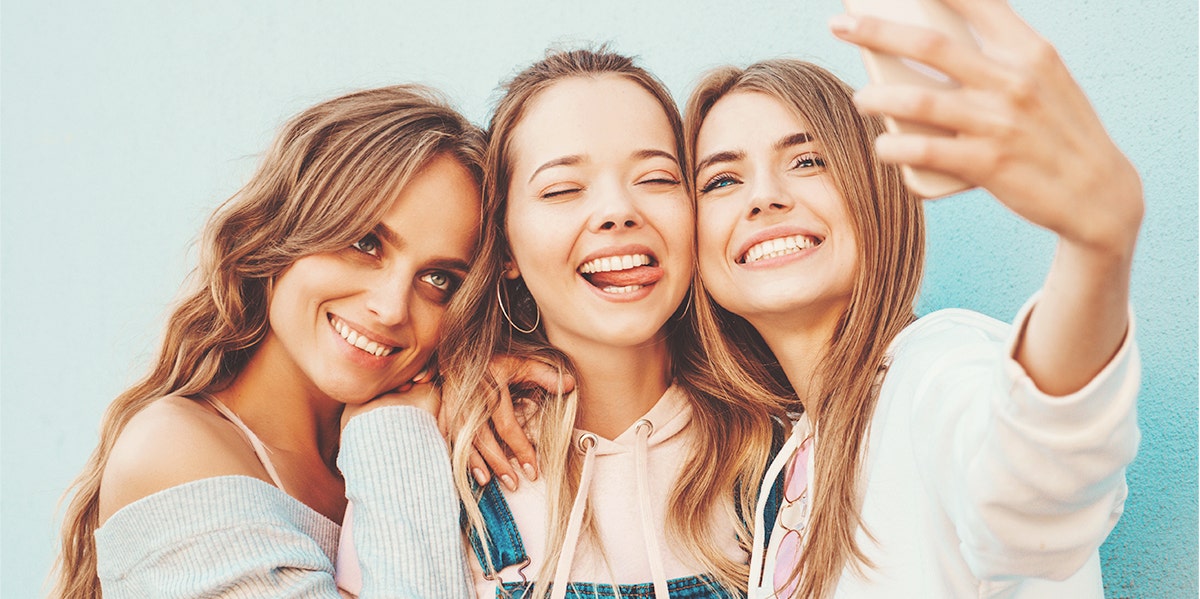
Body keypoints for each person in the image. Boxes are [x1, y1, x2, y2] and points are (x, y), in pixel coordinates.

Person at [683, 2, 1142, 597]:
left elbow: (1032, 496)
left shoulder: (933, 366)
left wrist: (1096, 251)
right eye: (722, 180)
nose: (764, 197)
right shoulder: (789, 454)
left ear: (877, 192)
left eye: (808, 160)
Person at [53, 84, 486, 598]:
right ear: (277, 234)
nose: (390, 307)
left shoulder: (449, 448)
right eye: (364, 244)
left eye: (439, 279)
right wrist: (390, 429)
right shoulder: (177, 449)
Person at [437, 48, 786, 599]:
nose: (617, 211)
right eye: (562, 189)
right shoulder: (440, 460)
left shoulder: (781, 456)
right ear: (504, 243)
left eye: (655, 178)